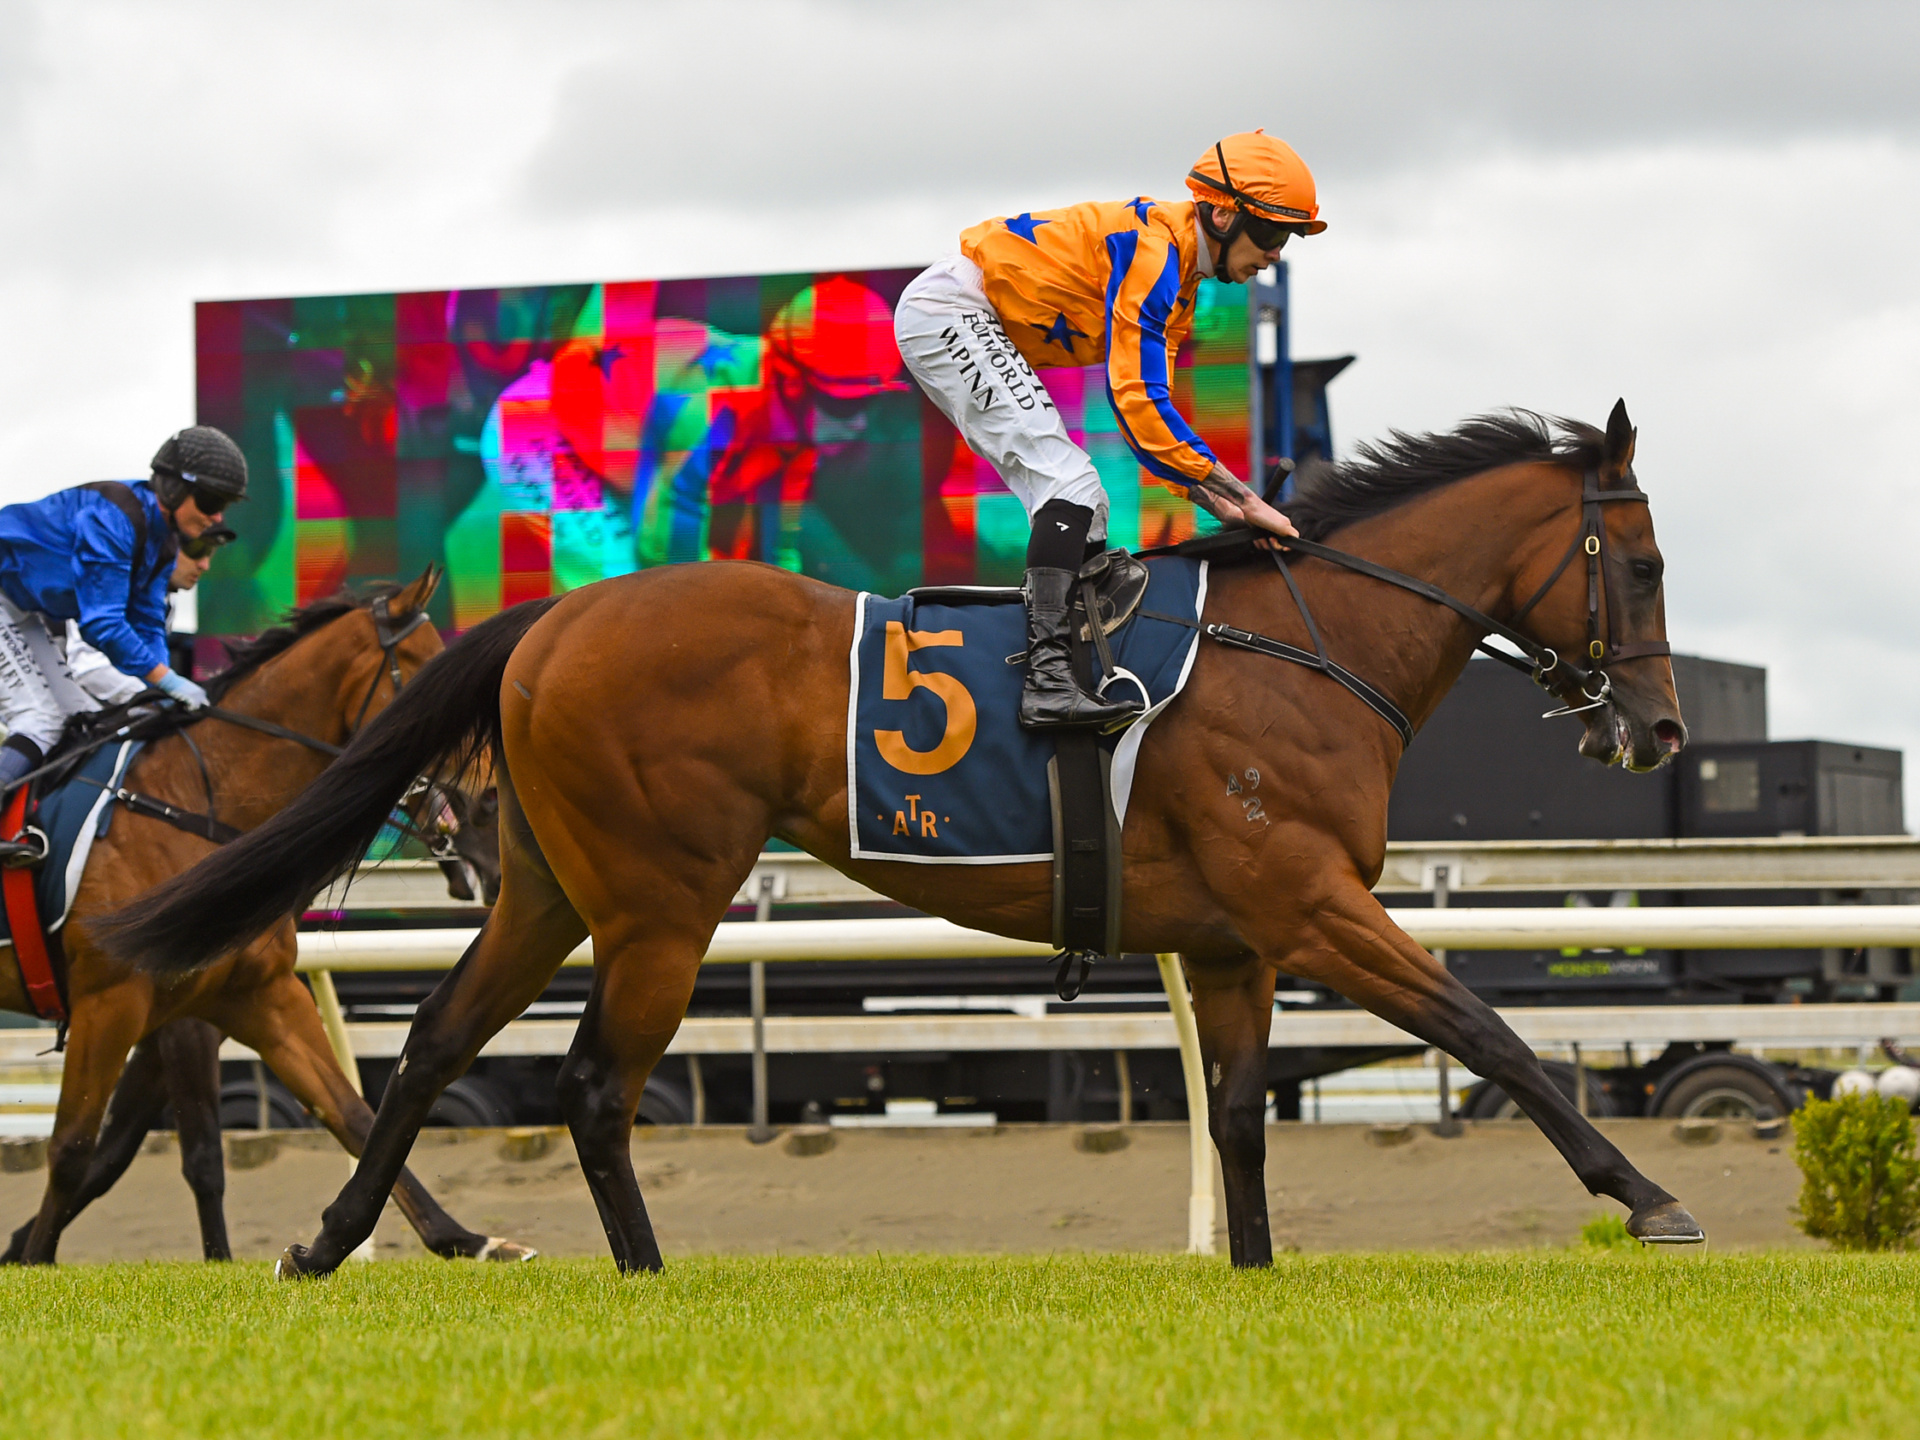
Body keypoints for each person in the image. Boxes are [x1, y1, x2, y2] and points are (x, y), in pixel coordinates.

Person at [894, 131, 1323, 730]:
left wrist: (1216, 502)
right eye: (1273, 233)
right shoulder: (1156, 254)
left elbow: (1150, 422)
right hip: (951, 310)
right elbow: (1137, 401)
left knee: (1087, 507)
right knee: (1068, 486)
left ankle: (1078, 665)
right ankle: (1045, 680)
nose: (1276, 253)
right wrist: (1246, 499)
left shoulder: (1181, 278)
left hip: (960, 313)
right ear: (1224, 214)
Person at [0, 427, 247, 803]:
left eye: (223, 504)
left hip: (19, 606)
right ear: (173, 489)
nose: (216, 516)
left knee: (79, 718)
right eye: (211, 501)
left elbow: (148, 623)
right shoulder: (113, 518)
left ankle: (34, 823)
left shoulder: (161, 541)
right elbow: (101, 624)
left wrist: (158, 693)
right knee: (39, 719)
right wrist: (167, 681)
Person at [67, 525, 235, 707]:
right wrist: (154, 699)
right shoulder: (110, 580)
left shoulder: (164, 598)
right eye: (196, 550)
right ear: (163, 546)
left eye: (210, 553)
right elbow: (88, 666)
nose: (205, 565)